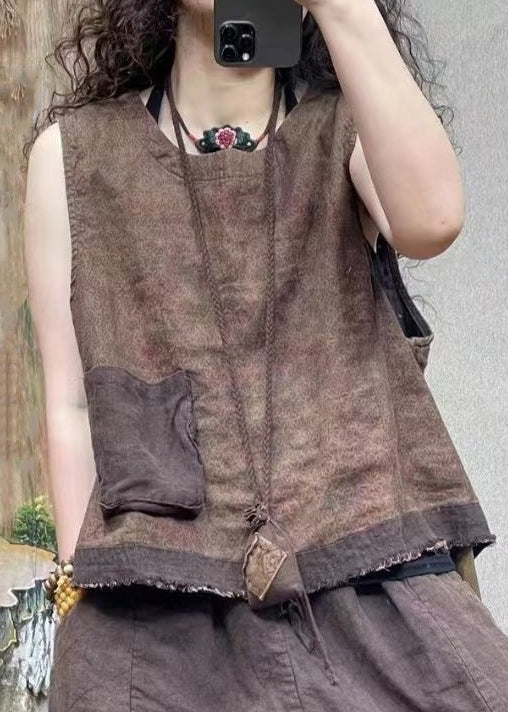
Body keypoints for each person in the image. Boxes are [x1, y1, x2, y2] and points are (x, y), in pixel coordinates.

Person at [23, 0, 508, 710]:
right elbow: (71, 402)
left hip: (374, 577)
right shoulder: (75, 155)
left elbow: (431, 220)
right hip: (155, 610)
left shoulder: (346, 128)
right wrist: (85, 600)